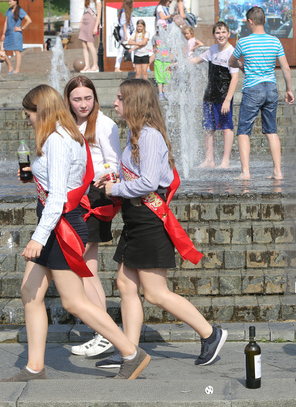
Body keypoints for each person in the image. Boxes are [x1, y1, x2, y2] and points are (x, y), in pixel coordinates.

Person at [1, 85, 150, 382]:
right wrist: (34, 172)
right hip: (57, 222)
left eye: (29, 113)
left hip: (61, 226)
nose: (26, 118)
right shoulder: (66, 135)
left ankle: (131, 353)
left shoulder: (57, 140)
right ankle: (34, 367)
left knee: (73, 301)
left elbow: (58, 197)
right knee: (30, 293)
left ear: (40, 111)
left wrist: (37, 238)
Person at [95, 79, 227, 370]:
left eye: (120, 98)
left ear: (135, 103)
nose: (114, 103)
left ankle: (210, 333)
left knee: (155, 293)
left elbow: (148, 183)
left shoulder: (149, 136)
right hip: (135, 218)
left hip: (148, 219)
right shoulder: (135, 134)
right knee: (125, 284)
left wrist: (114, 191)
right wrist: (112, 179)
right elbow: (136, 177)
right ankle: (130, 351)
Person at [63, 76, 122, 358]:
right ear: (68, 100)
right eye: (77, 99)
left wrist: (106, 175)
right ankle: (106, 332)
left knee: (80, 265)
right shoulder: (68, 123)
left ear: (95, 98)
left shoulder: (106, 124)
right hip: (76, 195)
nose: (83, 104)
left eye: (88, 98)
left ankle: (105, 332)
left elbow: (115, 162)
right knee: (88, 267)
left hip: (95, 196)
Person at [228, 6, 294, 180]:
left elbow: (231, 61)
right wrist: (289, 89)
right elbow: (286, 68)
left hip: (252, 89)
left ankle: (245, 172)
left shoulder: (244, 42)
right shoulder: (275, 41)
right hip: (271, 88)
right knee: (272, 131)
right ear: (264, 21)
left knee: (243, 131)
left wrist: (241, 65)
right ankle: (278, 171)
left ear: (250, 22)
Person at [191, 21, 239, 169]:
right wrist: (177, 63)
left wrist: (228, 100)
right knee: (208, 127)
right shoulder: (212, 50)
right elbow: (195, 60)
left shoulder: (231, 52)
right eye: (218, 33)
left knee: (226, 127)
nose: (221, 35)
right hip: (210, 94)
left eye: (223, 32)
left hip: (224, 95)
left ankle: (225, 161)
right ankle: (209, 160)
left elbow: (235, 78)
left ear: (229, 34)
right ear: (214, 35)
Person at [0, 0, 31, 74]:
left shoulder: (20, 11)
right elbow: (6, 22)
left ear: (15, 1)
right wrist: (3, 33)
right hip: (8, 34)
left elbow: (29, 20)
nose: (9, 2)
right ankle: (10, 67)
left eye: (10, 1)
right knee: (3, 51)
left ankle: (17, 70)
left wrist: (21, 28)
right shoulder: (9, 10)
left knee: (17, 51)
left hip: (16, 34)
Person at [79, 1, 102, 73]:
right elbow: (84, 11)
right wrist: (81, 22)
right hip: (85, 20)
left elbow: (98, 15)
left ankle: (95, 65)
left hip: (92, 21)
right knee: (84, 44)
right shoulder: (87, 1)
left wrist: (96, 27)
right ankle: (87, 65)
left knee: (90, 43)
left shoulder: (97, 1)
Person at [152, 21, 173, 101]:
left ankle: (166, 92)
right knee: (159, 77)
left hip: (167, 60)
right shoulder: (155, 37)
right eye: (159, 27)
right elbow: (154, 49)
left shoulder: (169, 37)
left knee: (167, 77)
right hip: (158, 59)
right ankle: (160, 93)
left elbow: (172, 48)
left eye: (164, 27)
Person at [115, 0, 135, 73]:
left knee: (122, 49)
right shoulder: (124, 12)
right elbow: (123, 23)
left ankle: (117, 66)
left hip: (126, 31)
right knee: (132, 47)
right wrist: (126, 34)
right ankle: (135, 66)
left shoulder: (127, 11)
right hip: (125, 31)